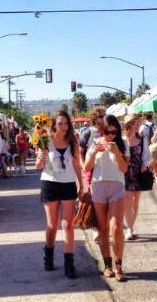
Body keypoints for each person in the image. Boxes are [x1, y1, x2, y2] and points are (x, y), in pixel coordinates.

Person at [35, 111, 85, 278]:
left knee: (68, 225)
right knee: (52, 225)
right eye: (60, 124)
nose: (64, 127)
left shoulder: (73, 142)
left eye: (66, 124)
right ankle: (48, 254)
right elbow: (38, 166)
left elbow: (77, 164)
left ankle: (69, 264)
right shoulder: (45, 140)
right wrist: (40, 158)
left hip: (68, 184)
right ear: (54, 125)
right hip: (50, 183)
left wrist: (82, 184)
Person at [84, 114, 129, 281]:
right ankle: (107, 265)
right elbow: (87, 167)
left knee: (116, 228)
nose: (111, 135)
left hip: (117, 186)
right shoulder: (94, 143)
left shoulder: (123, 144)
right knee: (102, 229)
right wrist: (94, 152)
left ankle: (119, 266)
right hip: (98, 186)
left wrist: (117, 153)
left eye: (114, 132)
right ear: (102, 131)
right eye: (108, 132)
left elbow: (124, 169)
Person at [123, 114, 151, 240]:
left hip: (138, 172)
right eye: (134, 122)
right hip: (125, 172)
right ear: (128, 124)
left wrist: (144, 164)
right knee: (128, 202)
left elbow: (146, 154)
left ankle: (131, 227)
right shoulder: (122, 139)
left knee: (135, 202)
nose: (137, 125)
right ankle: (129, 229)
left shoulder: (142, 139)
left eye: (137, 122)